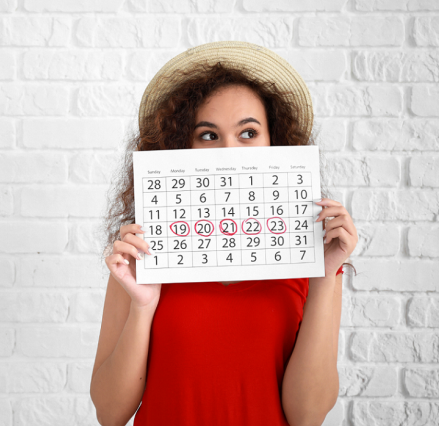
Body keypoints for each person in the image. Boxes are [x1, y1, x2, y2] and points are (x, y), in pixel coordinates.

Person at [90, 41, 358, 426]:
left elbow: (308, 416)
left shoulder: (316, 259)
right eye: (208, 135)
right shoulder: (140, 257)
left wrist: (323, 279)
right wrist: (143, 306)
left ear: (274, 141)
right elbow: (109, 413)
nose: (229, 151)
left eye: (248, 133)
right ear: (182, 145)